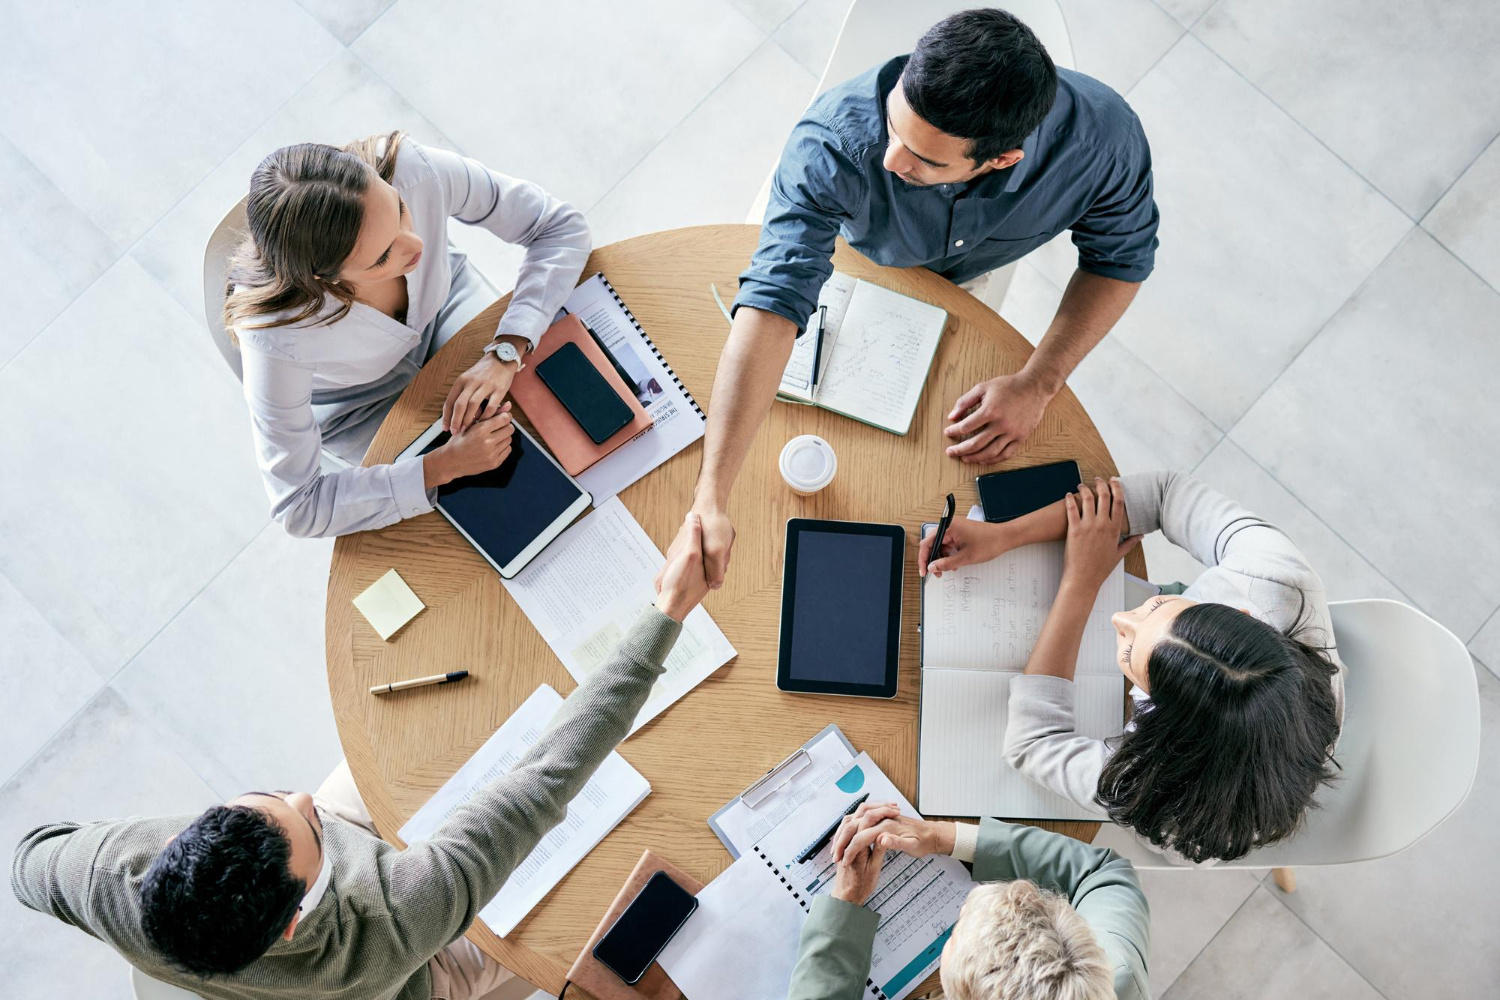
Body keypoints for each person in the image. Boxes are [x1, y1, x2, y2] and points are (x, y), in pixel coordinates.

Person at [11, 516, 713, 1000]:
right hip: (417, 976)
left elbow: (26, 864)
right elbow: (545, 781)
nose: (304, 799)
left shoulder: (108, 878)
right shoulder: (397, 919)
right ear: (293, 924)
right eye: (307, 825)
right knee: (571, 918)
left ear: (175, 844)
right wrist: (667, 616)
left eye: (274, 796)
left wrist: (311, 839)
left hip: (309, 908)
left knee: (443, 725)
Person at [666, 9, 1158, 589]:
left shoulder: (1105, 142)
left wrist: (1038, 383)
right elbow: (775, 299)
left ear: (1002, 159)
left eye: (925, 159)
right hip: (844, 247)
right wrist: (711, 498)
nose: (891, 160)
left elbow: (1120, 263)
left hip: (967, 278)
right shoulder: (834, 144)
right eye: (895, 127)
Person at [919, 473, 1345, 864]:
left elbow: (1031, 744)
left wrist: (1081, 583)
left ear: (1163, 722)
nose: (1120, 620)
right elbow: (1165, 494)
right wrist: (1005, 535)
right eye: (1159, 607)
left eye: (1129, 653)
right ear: (1241, 615)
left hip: (1202, 825)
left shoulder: (1162, 795)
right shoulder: (1275, 577)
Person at [224, 130, 591, 538]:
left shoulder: (411, 169)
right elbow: (299, 506)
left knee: (566, 417)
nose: (416, 243)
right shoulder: (274, 335)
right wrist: (441, 466)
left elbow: (559, 227)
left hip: (444, 309)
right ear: (322, 280)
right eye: (382, 256)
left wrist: (508, 348)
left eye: (399, 209)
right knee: (495, 515)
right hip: (359, 405)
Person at [787, 802, 1149, 1000]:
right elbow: (1104, 874)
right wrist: (941, 836)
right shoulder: (1115, 976)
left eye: (955, 932)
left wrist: (845, 904)